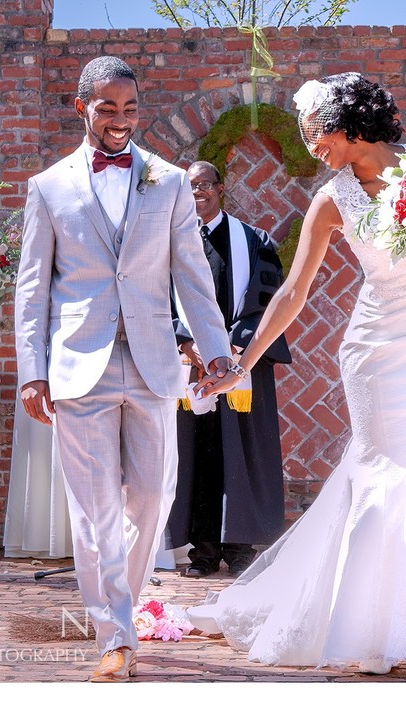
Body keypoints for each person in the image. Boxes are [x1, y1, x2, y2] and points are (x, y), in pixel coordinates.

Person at [188, 73, 406, 673]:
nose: (313, 148)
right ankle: (364, 623)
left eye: (317, 134)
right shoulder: (333, 198)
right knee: (388, 472)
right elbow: (293, 292)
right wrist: (241, 366)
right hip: (379, 350)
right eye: (305, 138)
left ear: (352, 124)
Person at [14, 56, 232, 682]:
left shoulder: (167, 182)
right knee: (94, 511)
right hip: (78, 368)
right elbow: (32, 291)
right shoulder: (48, 187)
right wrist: (33, 369)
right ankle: (116, 633)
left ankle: (125, 607)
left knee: (154, 495)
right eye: (106, 108)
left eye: (130, 109)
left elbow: (192, 276)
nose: (120, 120)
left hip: (155, 365)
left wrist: (215, 351)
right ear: (80, 106)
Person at [169, 161, 291, 578]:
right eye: (190, 186)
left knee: (243, 452)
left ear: (220, 189)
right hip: (191, 365)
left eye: (205, 184)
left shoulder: (253, 240)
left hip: (244, 364)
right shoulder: (168, 242)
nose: (198, 191)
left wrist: (238, 346)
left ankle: (239, 548)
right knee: (198, 453)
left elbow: (269, 296)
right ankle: (202, 551)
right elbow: (155, 299)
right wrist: (188, 341)